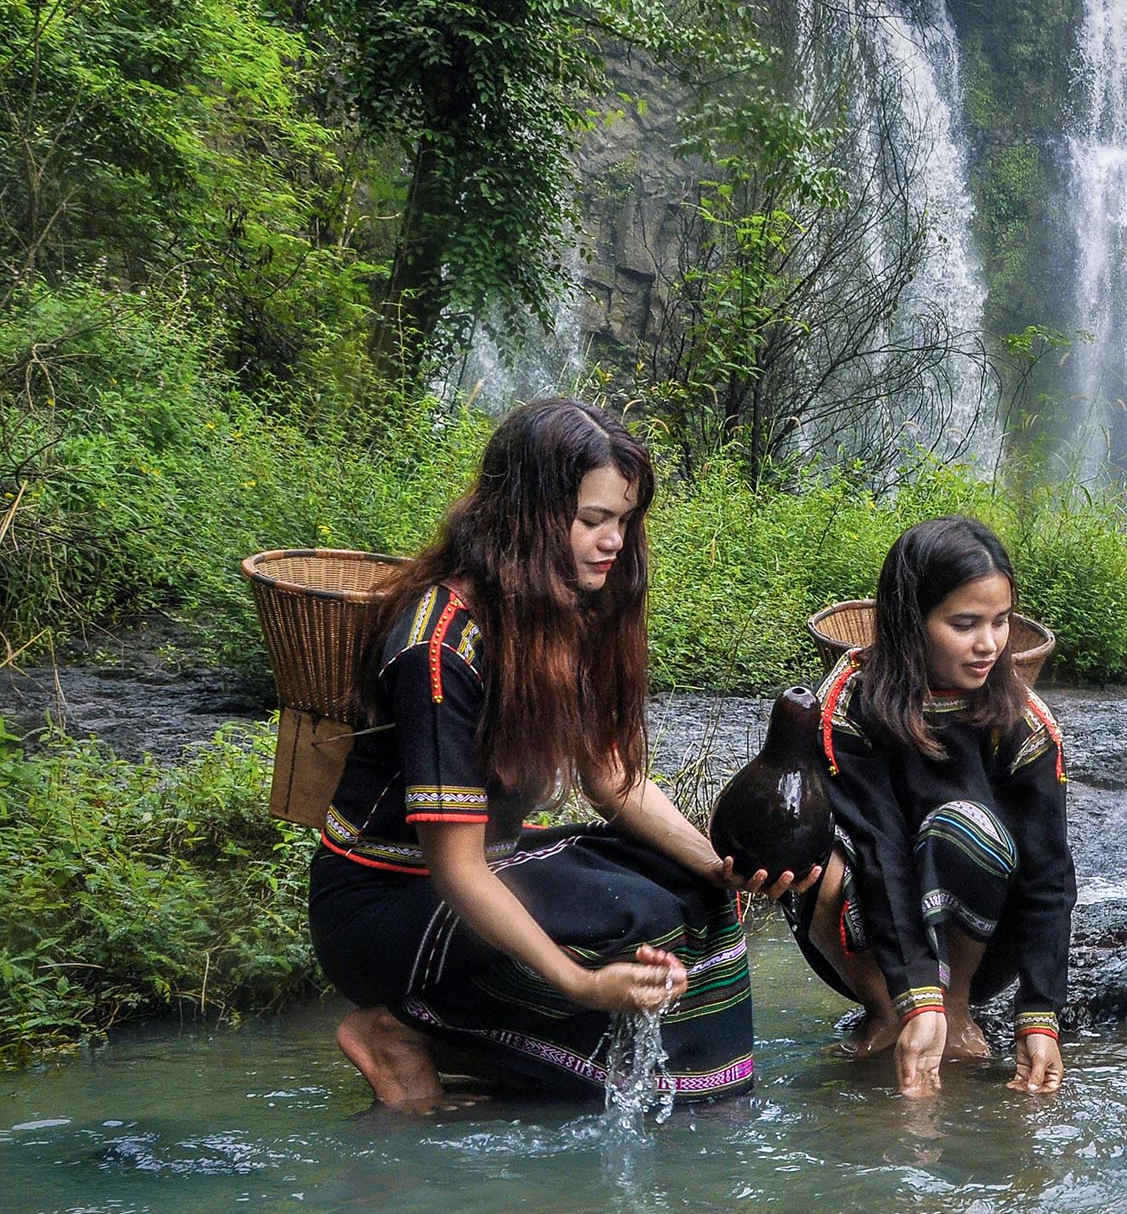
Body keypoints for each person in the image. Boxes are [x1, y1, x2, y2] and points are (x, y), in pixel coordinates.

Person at [311, 400, 799, 1112]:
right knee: (627, 910)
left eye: (624, 520)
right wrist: (580, 982)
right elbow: (457, 869)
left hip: (488, 868)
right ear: (525, 517)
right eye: (592, 519)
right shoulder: (439, 648)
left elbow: (612, 780)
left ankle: (683, 1093)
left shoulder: (563, 611)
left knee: (687, 888)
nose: (614, 541)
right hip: (383, 908)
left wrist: (718, 865)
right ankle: (402, 1026)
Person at [787, 517, 1075, 1098]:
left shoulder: (1024, 722)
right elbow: (880, 848)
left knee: (965, 826)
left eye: (1000, 621)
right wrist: (915, 997)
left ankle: (957, 1005)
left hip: (984, 936)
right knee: (802, 843)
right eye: (964, 624)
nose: (989, 644)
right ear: (909, 621)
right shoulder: (849, 704)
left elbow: (1049, 874)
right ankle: (888, 1010)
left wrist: (1039, 1015)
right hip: (870, 927)